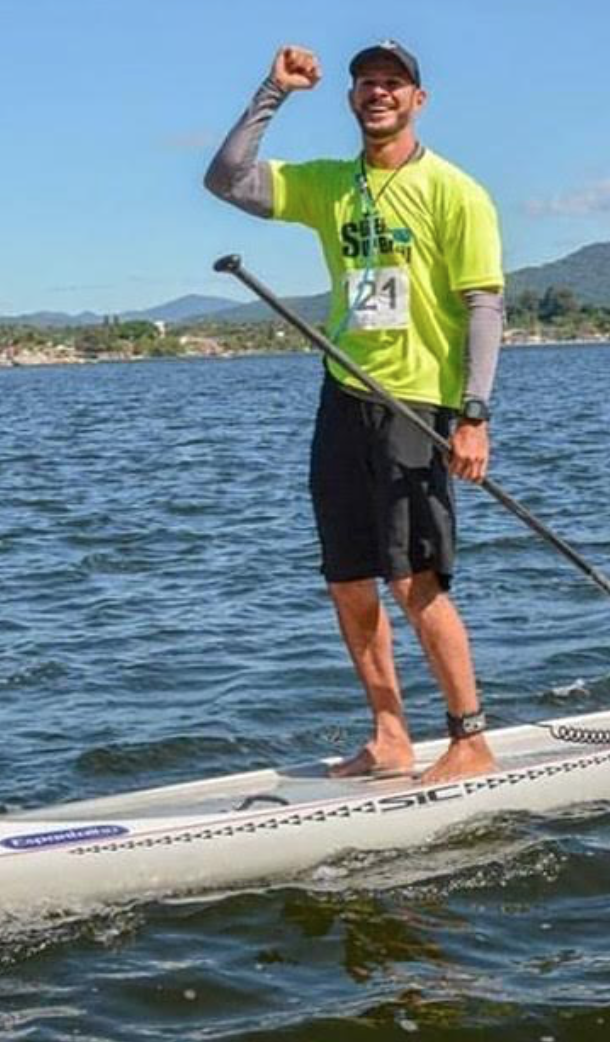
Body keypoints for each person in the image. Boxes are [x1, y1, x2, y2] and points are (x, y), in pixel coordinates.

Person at [204, 40, 505, 784]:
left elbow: (485, 305)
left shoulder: (455, 190)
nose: (379, 93)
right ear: (351, 100)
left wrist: (474, 414)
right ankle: (391, 736)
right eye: (367, 83)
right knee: (348, 577)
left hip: (419, 405)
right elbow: (225, 178)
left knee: (414, 580)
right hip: (343, 398)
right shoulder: (332, 186)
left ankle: (469, 740)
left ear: (417, 100)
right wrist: (272, 91)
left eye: (394, 84)